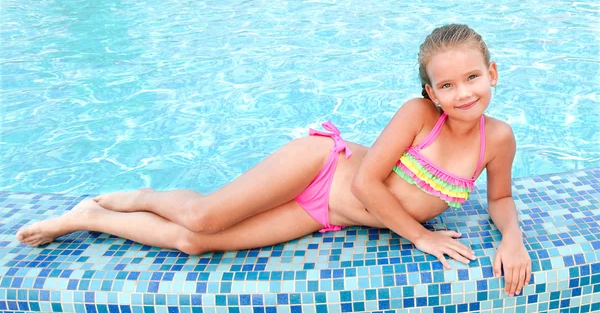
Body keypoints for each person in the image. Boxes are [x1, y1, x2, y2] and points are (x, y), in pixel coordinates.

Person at [16, 24, 531, 297]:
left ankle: (90, 217)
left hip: (324, 214)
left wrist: (513, 239)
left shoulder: (497, 138)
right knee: (203, 216)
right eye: (447, 84)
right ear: (431, 91)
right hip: (322, 168)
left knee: (194, 243)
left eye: (472, 78)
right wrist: (420, 236)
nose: (463, 93)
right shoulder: (419, 114)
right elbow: (368, 184)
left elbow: (501, 198)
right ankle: (140, 197)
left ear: (493, 73)